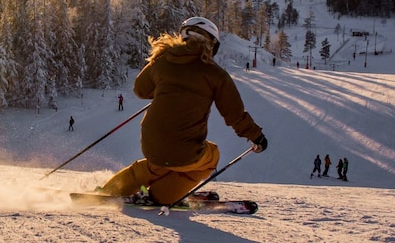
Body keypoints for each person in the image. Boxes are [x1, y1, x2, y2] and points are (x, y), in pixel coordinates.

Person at [96, 17, 268, 206]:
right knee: (211, 156)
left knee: (157, 164)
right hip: (186, 151)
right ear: (212, 45)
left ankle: (110, 190)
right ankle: (162, 194)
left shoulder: (163, 60)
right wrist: (256, 136)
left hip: (151, 142)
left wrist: (166, 87)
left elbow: (140, 89)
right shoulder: (215, 74)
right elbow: (234, 114)